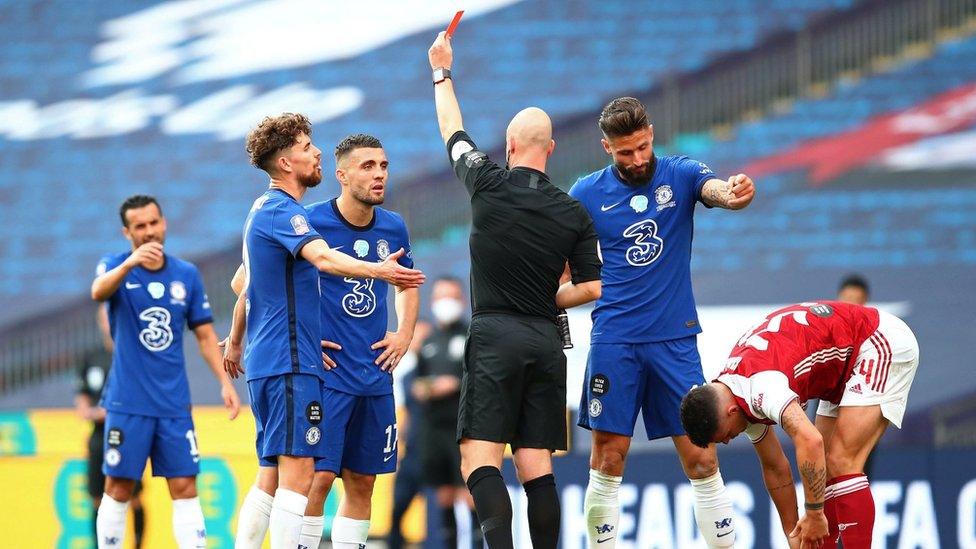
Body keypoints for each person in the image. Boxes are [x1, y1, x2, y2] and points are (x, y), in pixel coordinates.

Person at [429, 32, 603, 549]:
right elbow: (591, 285)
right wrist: (544, 298)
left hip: (495, 334)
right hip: (547, 343)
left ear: (508, 147)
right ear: (550, 149)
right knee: (535, 464)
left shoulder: (487, 181)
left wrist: (442, 72)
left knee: (478, 459)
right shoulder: (574, 212)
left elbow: (452, 129)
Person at [222, 116, 425, 549]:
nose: (378, 174)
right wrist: (377, 271)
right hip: (314, 369)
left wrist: (404, 333)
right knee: (308, 478)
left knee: (355, 480)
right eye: (368, 165)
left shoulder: (392, 227)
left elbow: (407, 283)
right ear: (343, 174)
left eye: (383, 165)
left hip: (370, 372)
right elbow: (248, 281)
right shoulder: (300, 218)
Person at [568, 97, 755, 548]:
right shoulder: (585, 194)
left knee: (703, 460)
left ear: (651, 134)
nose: (637, 160)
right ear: (606, 147)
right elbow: (560, 270)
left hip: (675, 341)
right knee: (608, 459)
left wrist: (732, 193)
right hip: (615, 341)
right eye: (625, 152)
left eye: (643, 147)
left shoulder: (682, 173)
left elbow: (716, 190)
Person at [680, 301, 919, 548]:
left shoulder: (764, 387)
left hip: (879, 342)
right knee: (824, 469)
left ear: (730, 413)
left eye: (725, 436)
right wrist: (793, 533)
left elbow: (810, 440)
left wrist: (814, 513)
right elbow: (775, 467)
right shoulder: (735, 392)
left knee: (842, 462)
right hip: (841, 364)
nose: (729, 440)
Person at [91, 195, 242, 549]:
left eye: (153, 223)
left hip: (173, 404)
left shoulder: (186, 275)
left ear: (164, 223)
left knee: (185, 487)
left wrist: (224, 382)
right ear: (126, 232)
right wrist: (129, 265)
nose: (149, 232)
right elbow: (98, 291)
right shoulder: (113, 267)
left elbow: (205, 335)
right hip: (127, 402)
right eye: (139, 227)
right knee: (118, 488)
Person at [412, 276, 480, 548]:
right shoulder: (427, 341)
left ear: (461, 301)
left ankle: (475, 542)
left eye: (450, 297)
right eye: (440, 297)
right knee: (443, 494)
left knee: (470, 494)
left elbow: (478, 376)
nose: (445, 303)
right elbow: (418, 381)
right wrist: (425, 388)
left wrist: (452, 384)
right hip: (433, 427)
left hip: (463, 427)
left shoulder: (470, 335)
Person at [74, 305, 145, 549]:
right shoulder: (92, 357)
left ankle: (137, 544)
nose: (109, 322)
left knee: (132, 496)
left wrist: (117, 408)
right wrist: (88, 410)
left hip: (128, 436)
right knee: (97, 497)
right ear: (100, 322)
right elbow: (82, 394)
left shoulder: (134, 354)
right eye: (105, 318)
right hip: (98, 436)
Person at [388, 320, 430, 549]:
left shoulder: (452, 372)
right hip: (413, 452)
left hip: (438, 449)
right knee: (397, 509)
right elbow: (409, 416)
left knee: (441, 507)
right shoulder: (407, 377)